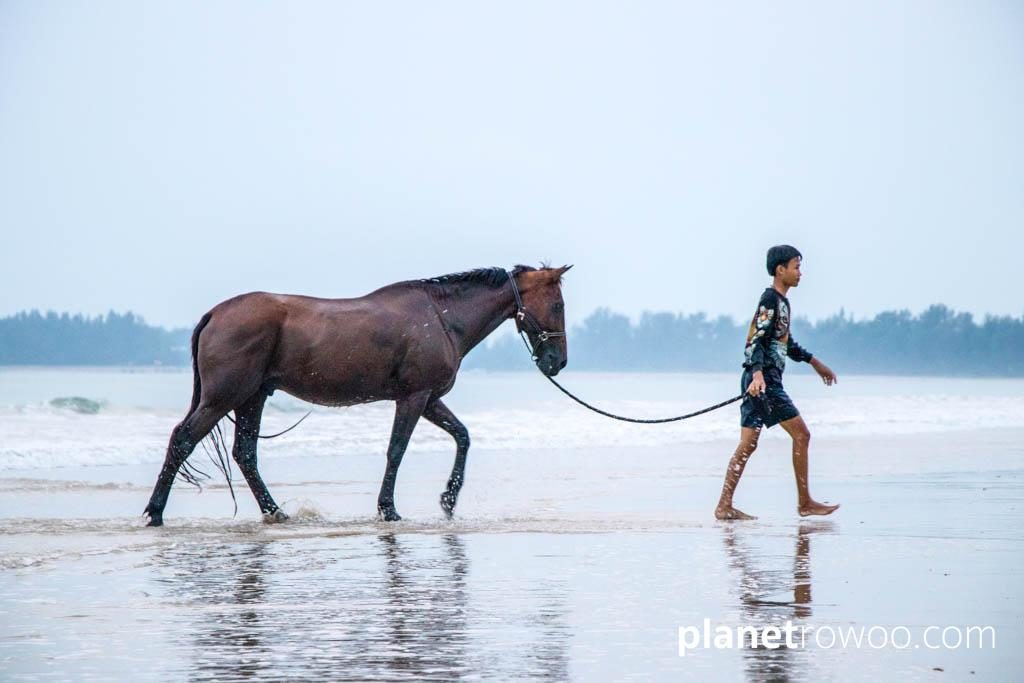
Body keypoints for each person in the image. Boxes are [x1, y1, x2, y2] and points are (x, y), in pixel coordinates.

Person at [715, 245, 840, 520]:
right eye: (796, 267)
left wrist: (814, 362)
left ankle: (724, 506)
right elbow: (755, 339)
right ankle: (805, 502)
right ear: (780, 270)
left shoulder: (783, 303)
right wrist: (758, 374)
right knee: (802, 435)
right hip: (764, 381)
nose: (800, 273)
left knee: (748, 444)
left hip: (758, 379)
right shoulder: (769, 299)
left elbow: (786, 343)